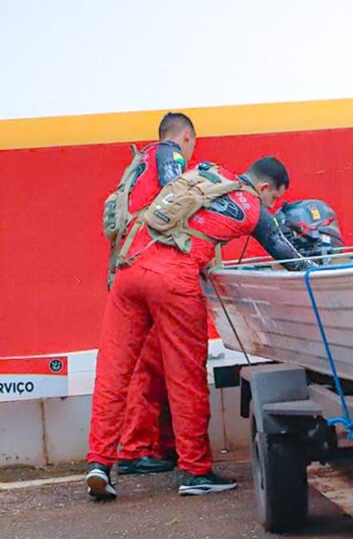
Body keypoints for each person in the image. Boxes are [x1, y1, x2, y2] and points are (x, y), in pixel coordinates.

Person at [86, 156, 314, 499]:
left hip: (130, 266)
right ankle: (195, 472)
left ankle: (99, 464)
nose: (273, 207)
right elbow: (288, 256)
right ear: (265, 187)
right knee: (186, 376)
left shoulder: (207, 172)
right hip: (174, 279)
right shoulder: (251, 206)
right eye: (275, 199)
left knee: (113, 372)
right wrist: (323, 269)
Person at [117, 112, 196, 475]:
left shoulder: (139, 164)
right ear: (187, 138)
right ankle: (135, 449)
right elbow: (175, 195)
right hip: (155, 268)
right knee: (151, 364)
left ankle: (160, 445)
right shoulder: (169, 154)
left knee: (152, 363)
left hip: (130, 264)